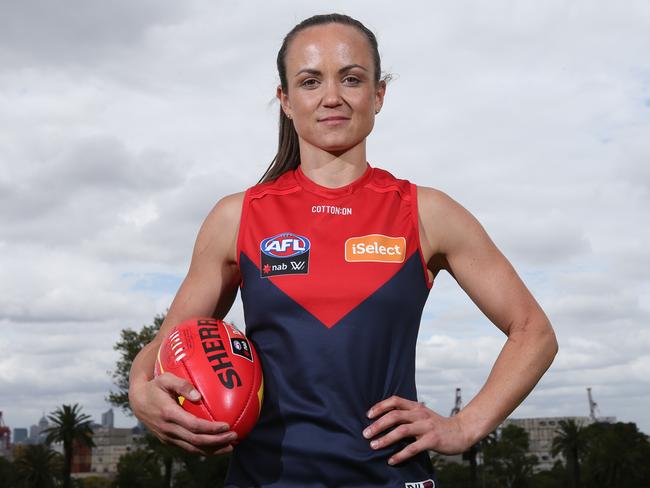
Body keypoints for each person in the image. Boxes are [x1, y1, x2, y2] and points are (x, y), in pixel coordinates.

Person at [128, 13, 559, 487]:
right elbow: (168, 346)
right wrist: (139, 389)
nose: (331, 96)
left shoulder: (427, 212)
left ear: (378, 95)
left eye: (351, 79)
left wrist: (463, 426)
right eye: (310, 81)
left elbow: (533, 331)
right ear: (286, 101)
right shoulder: (237, 217)